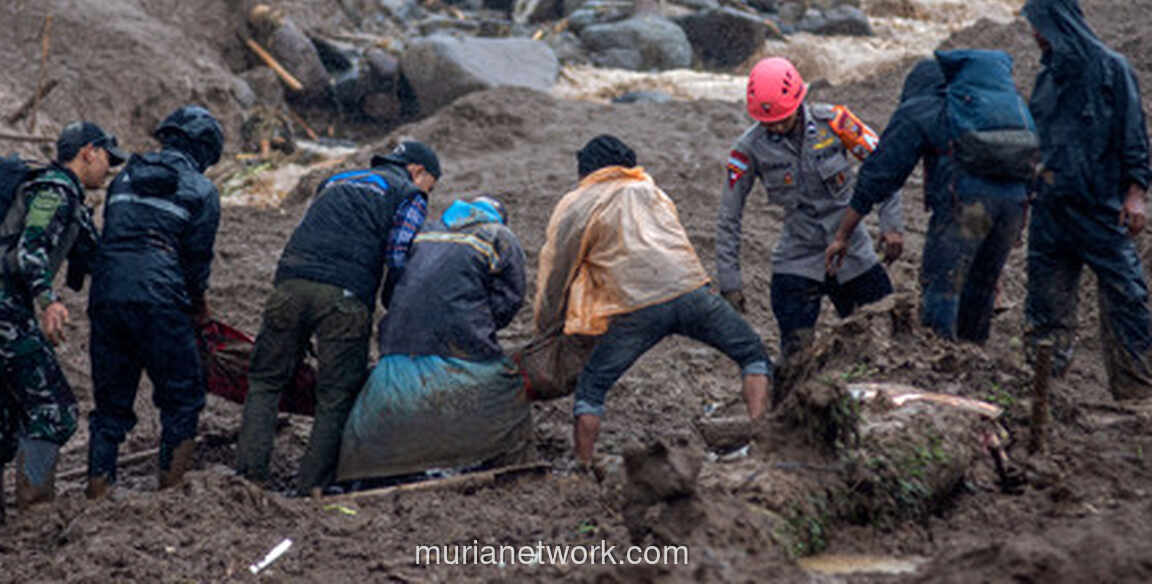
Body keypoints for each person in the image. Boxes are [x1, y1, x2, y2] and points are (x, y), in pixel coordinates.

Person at [534, 135, 772, 466]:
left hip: (637, 308)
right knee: (752, 354)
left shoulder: (579, 202)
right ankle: (761, 440)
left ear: (587, 170)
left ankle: (583, 463)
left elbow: (557, 267)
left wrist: (546, 325)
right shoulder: (651, 189)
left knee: (592, 386)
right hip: (690, 290)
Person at [236, 139, 440, 493]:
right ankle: (311, 487)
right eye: (431, 186)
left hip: (289, 285)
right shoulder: (409, 194)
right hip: (344, 297)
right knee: (336, 396)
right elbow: (397, 256)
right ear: (418, 171)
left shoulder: (335, 179)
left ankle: (249, 480)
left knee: (265, 382)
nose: (428, 193)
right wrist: (395, 303)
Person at [0, 121, 125, 535]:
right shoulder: (54, 189)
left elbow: (89, 252)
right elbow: (31, 248)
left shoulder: (59, 193)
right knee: (55, 411)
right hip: (3, 308)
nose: (109, 169)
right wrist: (47, 300)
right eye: (107, 158)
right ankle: (35, 517)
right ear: (88, 151)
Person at [824, 56, 1028, 342]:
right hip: (1014, 208)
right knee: (981, 288)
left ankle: (940, 362)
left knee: (942, 287)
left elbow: (878, 175)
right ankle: (973, 360)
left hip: (968, 207)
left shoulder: (922, 108)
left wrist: (843, 234)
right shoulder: (998, 109)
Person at [717, 57, 904, 360]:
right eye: (769, 122)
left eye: (783, 118)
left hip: (853, 254)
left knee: (882, 341)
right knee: (794, 354)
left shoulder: (837, 122)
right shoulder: (747, 148)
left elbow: (883, 167)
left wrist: (891, 226)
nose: (777, 127)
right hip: (797, 258)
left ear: (798, 101)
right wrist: (730, 283)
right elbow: (729, 217)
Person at [336, 196, 530, 483]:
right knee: (505, 393)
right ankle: (495, 463)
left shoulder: (425, 232)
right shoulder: (498, 235)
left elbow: (391, 290)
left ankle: (374, 472)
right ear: (498, 217)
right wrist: (483, 324)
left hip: (399, 338)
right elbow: (511, 296)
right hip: (461, 338)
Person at [85, 105, 225, 498]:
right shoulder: (202, 190)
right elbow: (196, 263)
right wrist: (199, 309)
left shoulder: (124, 177)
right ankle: (170, 489)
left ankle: (97, 491)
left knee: (110, 404)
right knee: (183, 397)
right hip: (161, 297)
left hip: (107, 293)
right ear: (206, 150)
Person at [1021, 0, 1152, 401]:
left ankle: (1136, 391)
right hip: (1050, 211)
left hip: (1100, 207)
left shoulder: (1112, 69)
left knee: (1127, 298)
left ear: (1057, 23)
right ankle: (1047, 394)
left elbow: (1134, 134)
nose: (1034, 35)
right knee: (1046, 306)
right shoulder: (1046, 77)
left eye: (1038, 26)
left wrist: (1137, 193)